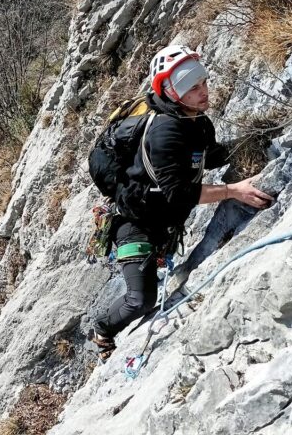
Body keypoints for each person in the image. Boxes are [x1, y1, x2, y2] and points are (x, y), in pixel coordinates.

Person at [92, 45, 273, 360]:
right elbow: (180, 193)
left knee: (152, 281)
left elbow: (204, 157)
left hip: (160, 220)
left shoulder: (195, 119)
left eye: (203, 82)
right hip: (135, 226)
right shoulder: (164, 132)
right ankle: (103, 329)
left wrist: (249, 142)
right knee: (141, 300)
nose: (203, 92)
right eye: (192, 87)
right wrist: (232, 191)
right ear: (172, 91)